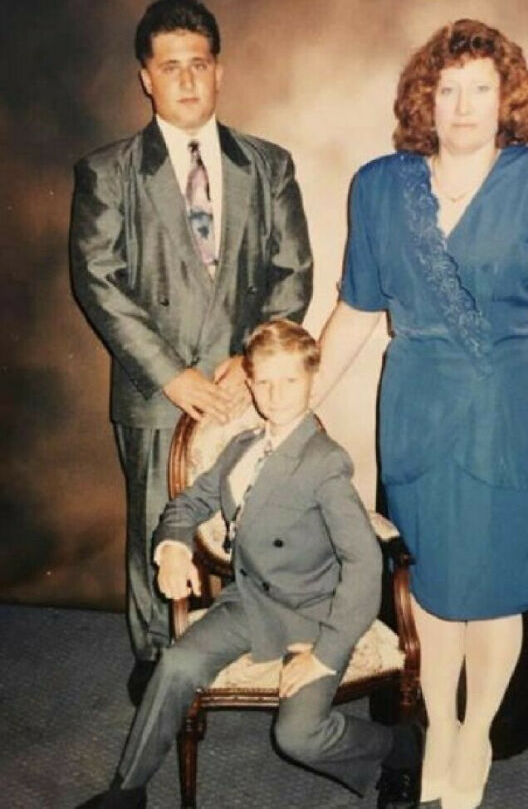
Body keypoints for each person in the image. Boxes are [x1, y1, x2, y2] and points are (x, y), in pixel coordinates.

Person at [316, 19, 528, 809]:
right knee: (434, 591)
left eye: (479, 87)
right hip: (415, 408)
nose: (463, 105)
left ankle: (477, 735)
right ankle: (441, 725)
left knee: (496, 590)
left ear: (507, 96)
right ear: (423, 100)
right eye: (446, 89)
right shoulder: (379, 185)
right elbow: (356, 315)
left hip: (510, 410)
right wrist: (290, 404)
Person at [69, 0, 313, 705]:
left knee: (260, 520)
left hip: (250, 391)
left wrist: (254, 358)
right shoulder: (109, 173)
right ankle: (155, 660)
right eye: (168, 66)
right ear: (145, 77)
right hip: (157, 393)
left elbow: (292, 270)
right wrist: (172, 374)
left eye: (198, 65)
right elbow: (99, 280)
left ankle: (260, 639)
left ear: (219, 72)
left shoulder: (267, 166)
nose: (185, 80)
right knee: (157, 526)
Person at [76, 320, 422, 809]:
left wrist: (325, 653)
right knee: (174, 665)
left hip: (313, 614)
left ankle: (398, 747)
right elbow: (188, 504)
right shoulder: (241, 448)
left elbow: (365, 564)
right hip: (250, 602)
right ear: (250, 382)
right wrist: (173, 545)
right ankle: (127, 791)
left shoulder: (325, 462)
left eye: (290, 381)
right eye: (264, 381)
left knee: (299, 735)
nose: (276, 395)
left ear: (312, 381)